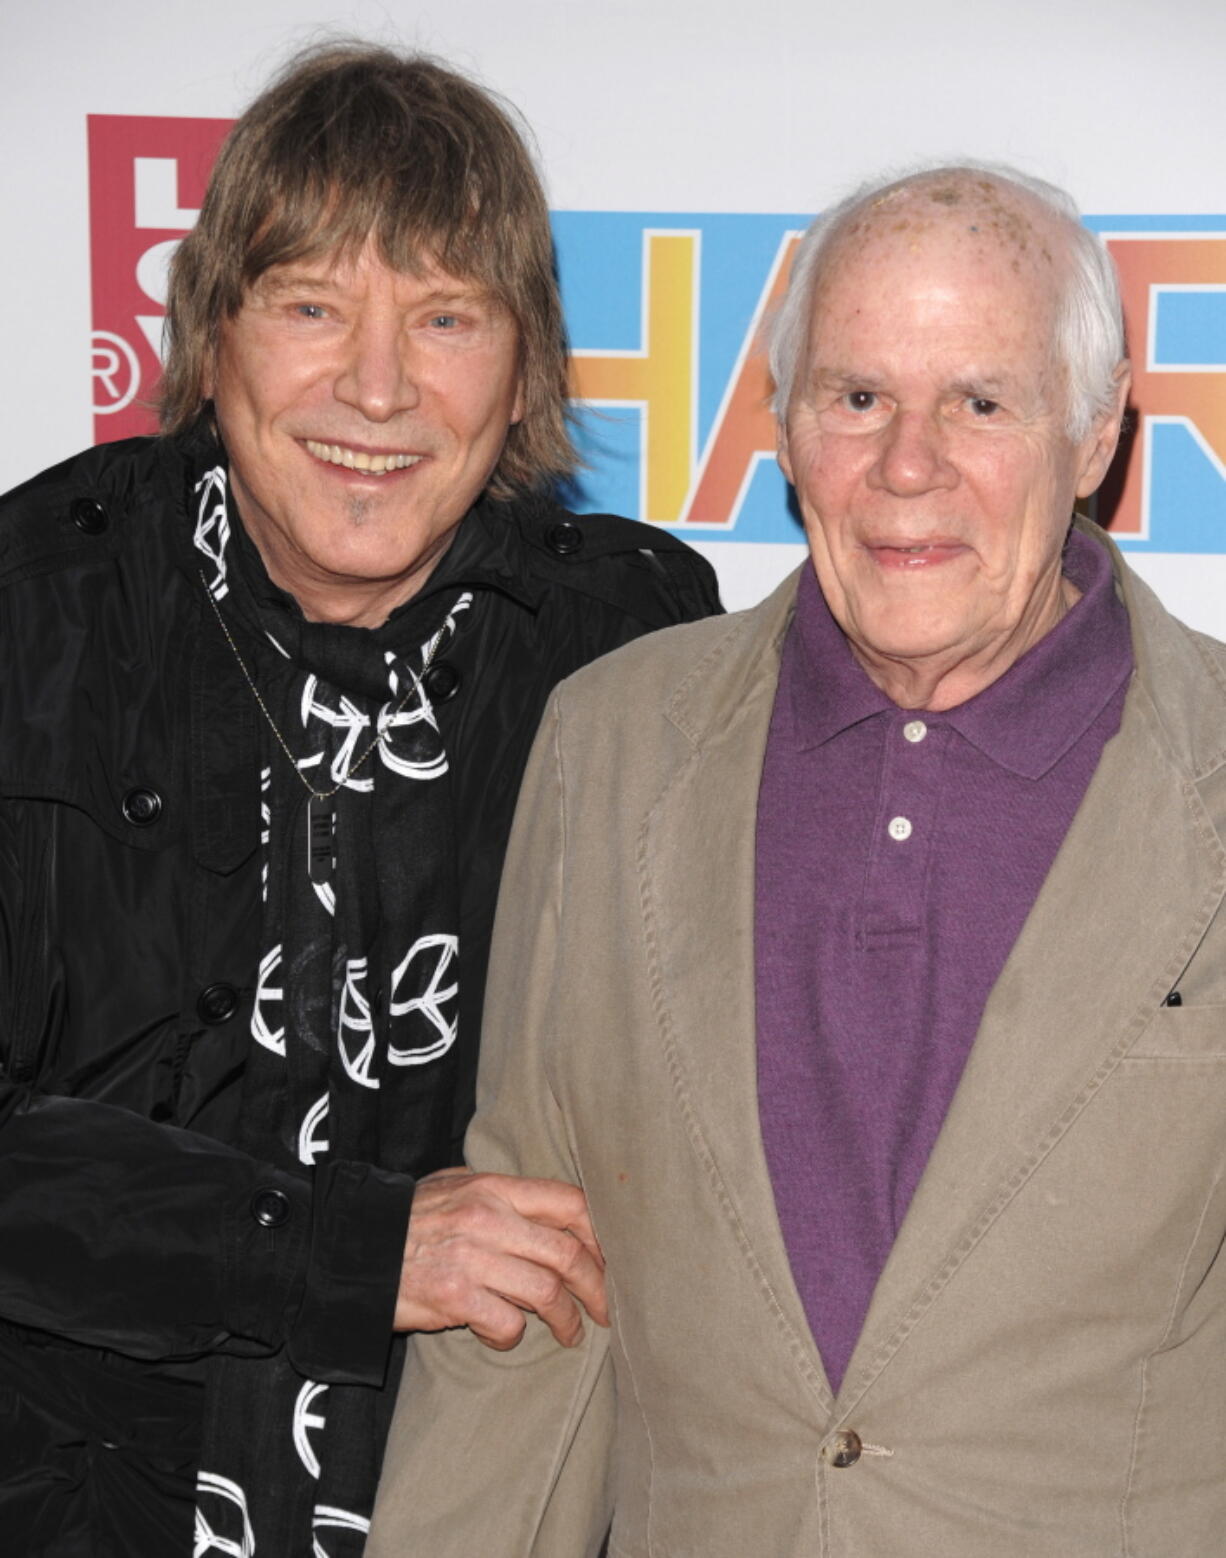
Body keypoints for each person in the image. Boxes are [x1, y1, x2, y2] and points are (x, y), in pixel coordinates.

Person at [369, 163, 1226, 1557]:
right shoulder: (612, 741)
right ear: (780, 430)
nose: (907, 464)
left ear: (1090, 437)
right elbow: (529, 1300)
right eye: (856, 397)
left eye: (981, 402)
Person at [0, 42, 719, 1558]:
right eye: (311, 305)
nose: (377, 388)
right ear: (211, 334)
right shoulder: (32, 612)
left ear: (520, 369)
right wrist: (349, 1245)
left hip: (484, 1490)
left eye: (446, 317)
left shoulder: (639, 652)